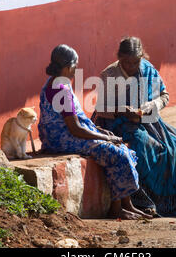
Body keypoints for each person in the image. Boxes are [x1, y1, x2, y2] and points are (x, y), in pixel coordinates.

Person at [38, 44, 152, 220]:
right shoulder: (62, 89)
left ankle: (127, 205)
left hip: (59, 136)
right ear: (68, 67)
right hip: (62, 139)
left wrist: (100, 131)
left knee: (123, 149)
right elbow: (75, 128)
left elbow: (76, 121)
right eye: (75, 67)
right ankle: (116, 208)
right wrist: (105, 136)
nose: (75, 71)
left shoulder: (53, 83)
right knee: (116, 153)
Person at [92, 36, 176, 216]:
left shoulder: (148, 69)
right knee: (143, 146)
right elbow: (100, 109)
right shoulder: (109, 74)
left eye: (135, 62)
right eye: (126, 62)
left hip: (149, 120)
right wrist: (122, 111)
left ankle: (169, 202)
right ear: (119, 58)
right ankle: (144, 202)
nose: (131, 66)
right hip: (117, 122)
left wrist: (153, 106)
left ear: (142, 57)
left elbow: (164, 95)